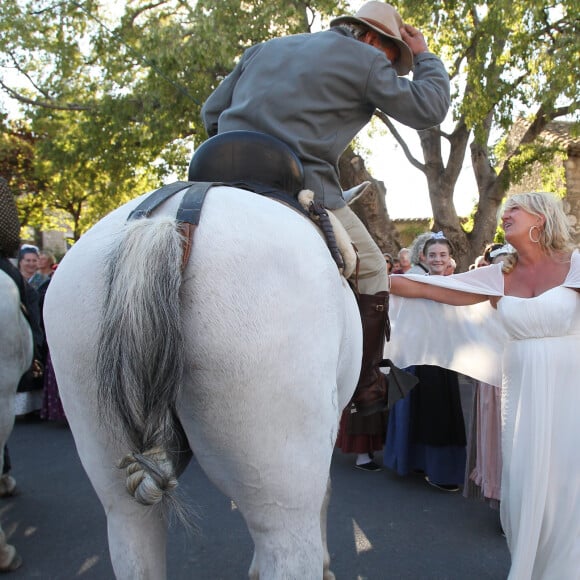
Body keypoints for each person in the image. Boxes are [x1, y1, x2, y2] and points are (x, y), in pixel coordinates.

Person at [201, 1, 450, 415]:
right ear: (373, 38)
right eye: (391, 58)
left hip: (218, 173)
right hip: (300, 182)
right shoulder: (367, 58)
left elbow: (212, 113)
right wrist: (423, 56)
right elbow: (428, 109)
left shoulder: (264, 48)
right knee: (371, 266)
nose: (387, 66)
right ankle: (367, 383)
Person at [387, 192, 580, 579]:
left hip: (571, 387)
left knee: (570, 483)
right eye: (505, 209)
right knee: (527, 483)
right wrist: (373, 278)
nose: (504, 215)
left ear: (541, 218)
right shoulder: (499, 275)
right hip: (522, 391)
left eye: (515, 209)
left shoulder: (575, 264)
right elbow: (425, 289)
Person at [384, 233, 467, 492]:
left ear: (450, 257)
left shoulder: (461, 285)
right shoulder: (414, 282)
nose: (438, 259)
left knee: (440, 414)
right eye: (433, 255)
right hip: (417, 356)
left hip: (444, 360)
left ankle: (440, 469)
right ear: (423, 257)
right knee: (420, 411)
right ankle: (418, 463)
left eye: (442, 254)